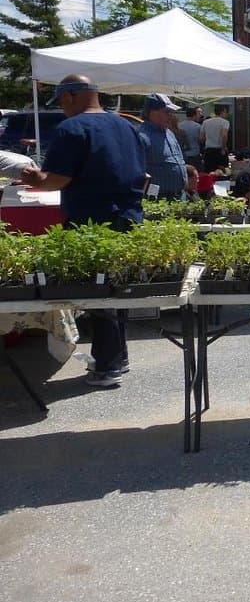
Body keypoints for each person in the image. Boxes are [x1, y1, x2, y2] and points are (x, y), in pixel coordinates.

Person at [22, 75, 146, 387]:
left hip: (92, 224)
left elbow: (57, 180)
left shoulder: (71, 129)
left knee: (97, 292)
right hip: (129, 218)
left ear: (72, 96)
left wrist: (36, 179)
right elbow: (142, 174)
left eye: (62, 101)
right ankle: (118, 357)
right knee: (116, 289)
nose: (62, 109)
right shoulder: (127, 127)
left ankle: (107, 367)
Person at [138, 93, 187, 200]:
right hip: (158, 199)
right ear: (152, 112)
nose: (171, 116)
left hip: (179, 196)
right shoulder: (141, 136)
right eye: (167, 112)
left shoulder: (169, 132)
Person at [200, 104, 230, 173]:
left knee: (209, 172)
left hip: (209, 150)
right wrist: (223, 148)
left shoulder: (205, 122)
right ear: (223, 112)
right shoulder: (225, 122)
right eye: (226, 112)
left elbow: (201, 138)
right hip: (219, 149)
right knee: (223, 172)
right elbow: (224, 135)